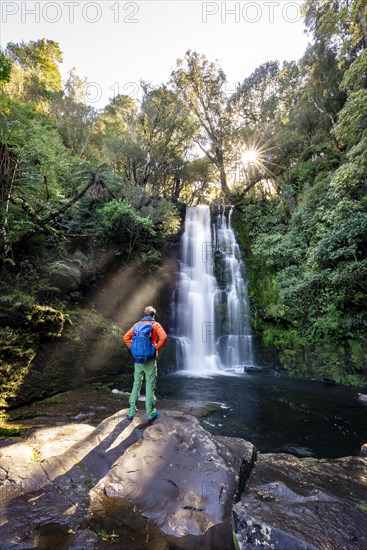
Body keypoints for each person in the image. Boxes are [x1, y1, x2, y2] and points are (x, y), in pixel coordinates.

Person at [123, 306, 167, 421]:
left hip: (138, 360)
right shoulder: (155, 325)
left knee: (136, 384)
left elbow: (126, 337)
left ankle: (131, 411)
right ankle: (151, 413)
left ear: (144, 314)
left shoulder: (137, 325)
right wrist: (155, 348)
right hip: (150, 360)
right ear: (153, 315)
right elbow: (164, 337)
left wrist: (133, 349)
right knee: (150, 385)